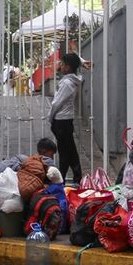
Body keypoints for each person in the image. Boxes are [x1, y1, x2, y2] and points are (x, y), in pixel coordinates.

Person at [47, 53, 83, 184]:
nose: (60, 66)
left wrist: (50, 118)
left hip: (61, 120)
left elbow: (56, 103)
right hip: (66, 120)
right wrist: (82, 62)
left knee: (64, 151)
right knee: (70, 149)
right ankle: (77, 176)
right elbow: (77, 61)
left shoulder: (67, 83)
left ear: (67, 67)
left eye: (62, 64)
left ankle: (60, 179)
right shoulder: (74, 79)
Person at [17, 139, 56, 205]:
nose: (52, 158)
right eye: (51, 155)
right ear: (44, 152)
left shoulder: (27, 161)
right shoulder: (48, 161)